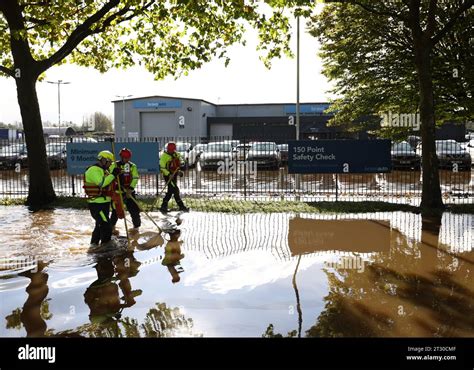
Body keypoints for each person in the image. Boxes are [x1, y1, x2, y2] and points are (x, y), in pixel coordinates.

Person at [83, 150, 120, 249]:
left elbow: (110, 183)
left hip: (105, 203)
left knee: (99, 226)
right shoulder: (93, 170)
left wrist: (115, 177)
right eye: (110, 162)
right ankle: (106, 246)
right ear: (104, 160)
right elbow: (102, 183)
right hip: (96, 204)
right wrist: (113, 175)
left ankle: (94, 245)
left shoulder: (104, 170)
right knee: (106, 226)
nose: (110, 164)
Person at [110, 148, 141, 235]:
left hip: (129, 192)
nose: (127, 159)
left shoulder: (132, 166)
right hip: (118, 192)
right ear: (121, 157)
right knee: (116, 211)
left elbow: (135, 178)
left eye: (128, 158)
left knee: (134, 210)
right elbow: (109, 176)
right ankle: (112, 228)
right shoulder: (114, 165)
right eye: (125, 158)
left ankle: (136, 228)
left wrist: (130, 189)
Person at [159, 142, 189, 213]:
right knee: (175, 190)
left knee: (170, 191)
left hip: (174, 175)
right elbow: (162, 168)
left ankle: (163, 207)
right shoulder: (164, 156)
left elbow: (181, 161)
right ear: (168, 149)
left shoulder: (176, 154)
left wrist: (179, 170)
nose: (172, 151)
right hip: (168, 176)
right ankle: (181, 206)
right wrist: (169, 174)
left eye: (173, 150)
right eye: (171, 150)